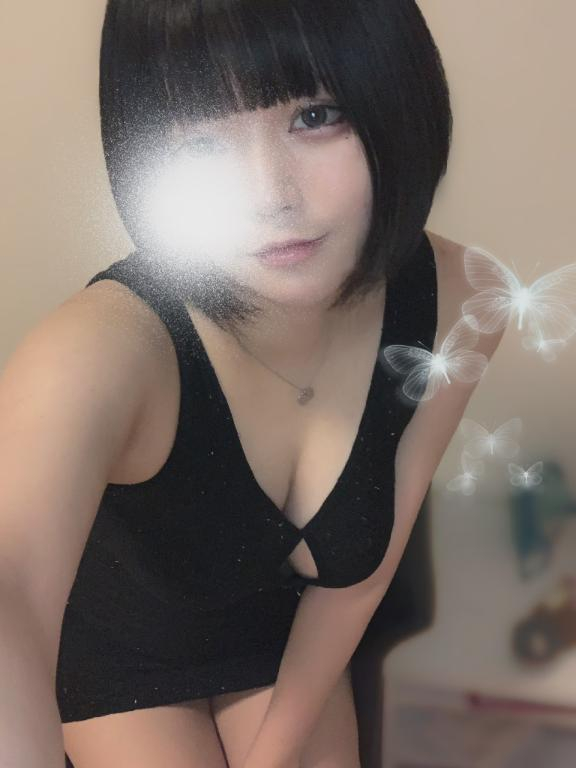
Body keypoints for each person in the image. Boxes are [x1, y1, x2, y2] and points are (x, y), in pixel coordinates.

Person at [0, 1, 507, 767]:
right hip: (120, 662)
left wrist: (270, 756)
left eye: (316, 115)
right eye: (201, 142)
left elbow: (357, 580)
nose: (270, 196)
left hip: (277, 640)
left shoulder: (465, 298)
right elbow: (10, 585)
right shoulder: (100, 348)